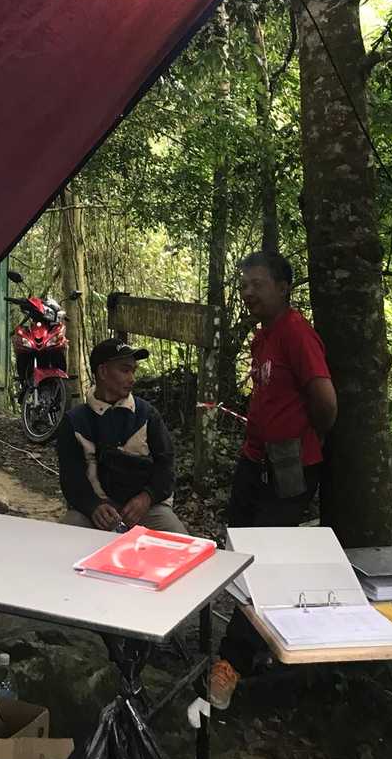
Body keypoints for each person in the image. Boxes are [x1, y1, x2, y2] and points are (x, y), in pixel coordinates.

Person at [209, 251, 337, 709]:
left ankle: (232, 661)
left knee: (261, 561)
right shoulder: (263, 336)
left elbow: (325, 401)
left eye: (257, 284)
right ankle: (257, 644)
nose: (248, 293)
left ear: (284, 287)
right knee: (238, 554)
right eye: (244, 285)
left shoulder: (296, 333)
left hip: (289, 468)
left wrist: (304, 440)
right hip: (254, 460)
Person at [57, 338, 186, 534]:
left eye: (133, 371)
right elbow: (71, 478)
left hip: (147, 510)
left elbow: (166, 466)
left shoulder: (147, 415)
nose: (132, 379)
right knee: (66, 534)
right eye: (125, 370)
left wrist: (147, 497)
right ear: (102, 372)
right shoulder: (74, 422)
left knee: (179, 542)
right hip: (93, 512)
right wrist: (93, 506)